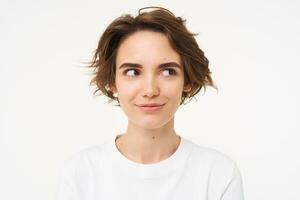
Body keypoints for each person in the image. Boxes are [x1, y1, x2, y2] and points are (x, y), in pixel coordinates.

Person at [56, 6, 244, 200]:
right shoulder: (80, 174)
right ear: (112, 81)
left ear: (187, 80)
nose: (150, 90)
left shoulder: (219, 174)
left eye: (168, 71)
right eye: (132, 72)